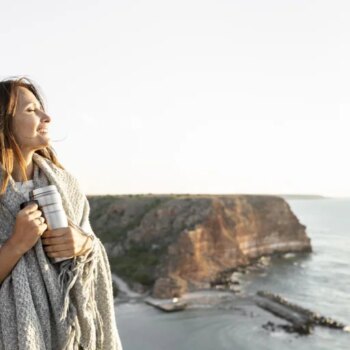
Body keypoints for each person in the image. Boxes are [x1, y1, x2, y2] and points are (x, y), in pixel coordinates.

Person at [0, 77, 123, 350]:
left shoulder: (66, 185)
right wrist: (16, 245)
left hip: (72, 335)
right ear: (3, 123)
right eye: (31, 111)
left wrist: (84, 244)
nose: (47, 117)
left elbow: (91, 246)